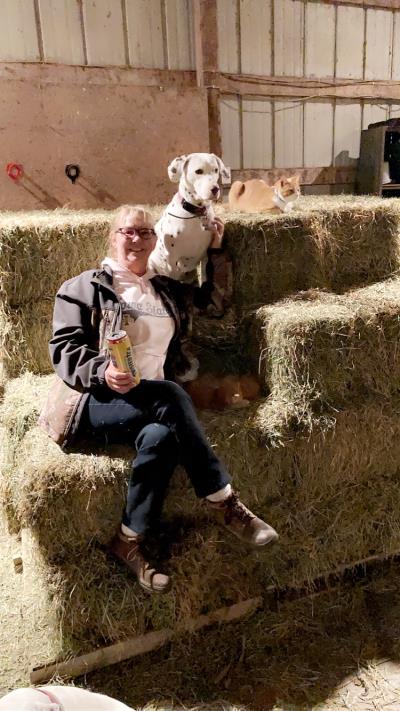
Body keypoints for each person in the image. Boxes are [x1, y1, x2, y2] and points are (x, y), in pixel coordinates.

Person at [41, 205, 278, 594]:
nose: (137, 240)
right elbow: (64, 351)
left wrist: (216, 249)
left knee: (162, 437)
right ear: (112, 237)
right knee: (170, 394)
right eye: (128, 232)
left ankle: (128, 541)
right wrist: (103, 371)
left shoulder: (164, 289)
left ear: (156, 239)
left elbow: (216, 305)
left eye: (145, 232)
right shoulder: (83, 288)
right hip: (94, 401)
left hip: (149, 402)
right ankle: (225, 502)